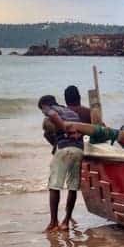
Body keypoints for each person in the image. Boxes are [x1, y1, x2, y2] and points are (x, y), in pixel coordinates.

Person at [38, 95, 83, 232]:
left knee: (54, 186)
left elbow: (50, 114)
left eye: (41, 109)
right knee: (73, 186)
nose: (42, 111)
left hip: (64, 150)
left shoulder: (50, 109)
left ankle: (53, 222)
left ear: (45, 105)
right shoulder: (72, 113)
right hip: (79, 150)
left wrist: (64, 129)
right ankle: (66, 222)